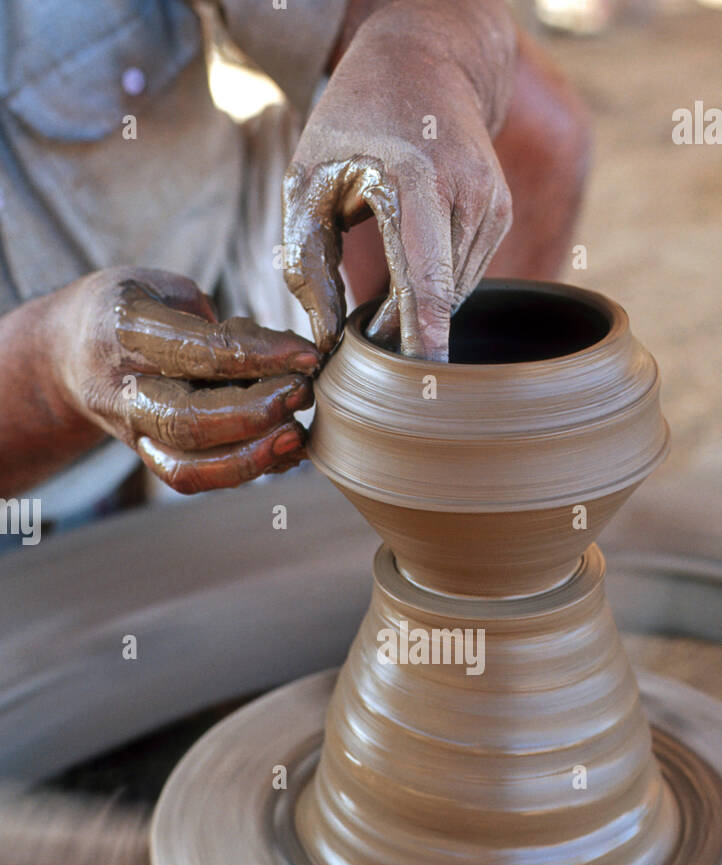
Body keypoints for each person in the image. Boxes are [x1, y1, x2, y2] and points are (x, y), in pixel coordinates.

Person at [0, 0, 589, 502]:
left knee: (520, 129)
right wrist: (49, 373)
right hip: (22, 448)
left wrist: (417, 51)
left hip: (223, 258)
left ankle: (432, 496)